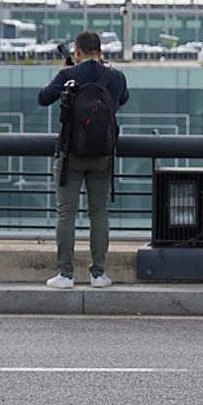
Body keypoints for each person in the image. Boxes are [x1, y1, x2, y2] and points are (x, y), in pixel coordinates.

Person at [38, 30, 129, 289]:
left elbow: (43, 98)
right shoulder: (115, 76)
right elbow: (122, 99)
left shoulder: (68, 75)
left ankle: (65, 275)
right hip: (103, 155)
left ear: (76, 51)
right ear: (101, 53)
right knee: (99, 213)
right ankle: (98, 274)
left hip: (70, 156)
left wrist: (66, 74)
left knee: (66, 214)